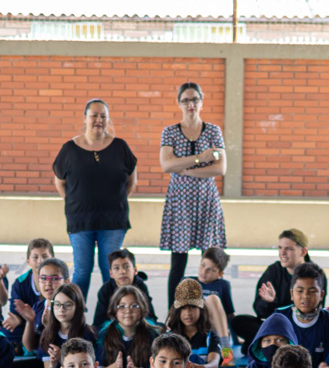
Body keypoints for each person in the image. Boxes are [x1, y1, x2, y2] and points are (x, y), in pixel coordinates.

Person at [53, 99, 138, 296]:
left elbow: (131, 181)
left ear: (108, 120)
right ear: (85, 118)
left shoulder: (120, 147)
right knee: (82, 272)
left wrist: (115, 200)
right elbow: (60, 182)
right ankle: (76, 317)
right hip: (80, 221)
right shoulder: (69, 149)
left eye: (103, 116)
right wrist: (75, 204)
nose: (98, 120)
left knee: (112, 273)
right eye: (94, 115)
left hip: (113, 220)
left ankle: (115, 317)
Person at [159, 82, 228, 304]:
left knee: (209, 262)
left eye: (195, 99)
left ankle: (208, 311)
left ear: (202, 101)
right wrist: (201, 158)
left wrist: (185, 169)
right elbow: (166, 166)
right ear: (179, 103)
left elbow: (220, 168)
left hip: (206, 201)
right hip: (180, 203)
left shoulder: (213, 131)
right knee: (177, 264)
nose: (191, 104)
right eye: (186, 100)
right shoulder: (170, 132)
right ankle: (173, 313)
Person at [18, 277, 94, 368]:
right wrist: (53, 364)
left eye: (67, 305)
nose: (61, 309)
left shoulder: (86, 334)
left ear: (78, 306)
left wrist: (62, 360)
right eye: (57, 305)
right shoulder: (49, 334)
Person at [165, 278, 228, 368]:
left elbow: (214, 363)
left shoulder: (210, 336)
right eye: (183, 308)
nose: (188, 312)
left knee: (195, 359)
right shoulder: (170, 337)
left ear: (201, 309)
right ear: (177, 311)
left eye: (192, 307)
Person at [97, 284, 158, 368]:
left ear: (142, 309)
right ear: (114, 310)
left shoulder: (152, 334)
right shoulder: (105, 333)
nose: (128, 310)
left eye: (134, 306)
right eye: (122, 306)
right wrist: (114, 367)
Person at [253, 230, 310, 324]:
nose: (282, 253)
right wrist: (269, 302)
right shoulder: (273, 271)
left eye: (288, 249)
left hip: (299, 328)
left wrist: (277, 307)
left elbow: (310, 313)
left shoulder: (314, 275)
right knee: (240, 321)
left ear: (303, 252)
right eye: (280, 248)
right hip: (275, 325)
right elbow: (260, 312)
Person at [91, 249, 157, 330]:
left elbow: (150, 316)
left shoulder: (141, 287)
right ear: (111, 273)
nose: (122, 271)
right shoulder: (106, 289)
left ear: (135, 270)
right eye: (116, 268)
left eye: (126, 267)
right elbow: (99, 321)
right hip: (112, 330)